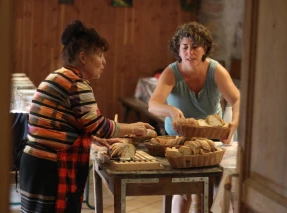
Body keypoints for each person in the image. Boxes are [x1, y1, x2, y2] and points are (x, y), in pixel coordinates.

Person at [18, 20, 153, 213]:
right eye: (99, 55)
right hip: (51, 169)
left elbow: (65, 123)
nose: (104, 62)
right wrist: (134, 128)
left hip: (35, 164)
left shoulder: (57, 76)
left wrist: (93, 138)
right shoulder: (76, 83)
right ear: (83, 57)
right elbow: (99, 125)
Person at [148, 22, 240, 213]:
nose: (190, 52)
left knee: (216, 189)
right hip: (178, 141)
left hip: (211, 141)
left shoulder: (216, 71)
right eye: (185, 47)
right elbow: (153, 105)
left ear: (205, 48)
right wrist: (171, 110)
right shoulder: (171, 72)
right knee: (184, 191)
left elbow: (237, 99)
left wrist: (234, 123)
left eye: (195, 47)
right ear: (178, 50)